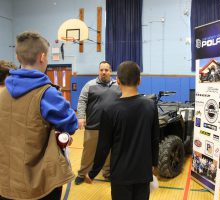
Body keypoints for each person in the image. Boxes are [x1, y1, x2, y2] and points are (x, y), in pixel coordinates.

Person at [0, 32, 78, 200]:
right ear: (42, 57)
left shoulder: (2, 93)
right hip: (38, 186)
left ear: (18, 57)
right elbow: (71, 124)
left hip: (6, 184)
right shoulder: (47, 93)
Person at [85, 61, 159, 200]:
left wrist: (93, 172)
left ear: (117, 81)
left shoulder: (109, 110)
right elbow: (155, 139)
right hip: (143, 172)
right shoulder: (151, 105)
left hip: (121, 174)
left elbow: (103, 146)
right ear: (139, 81)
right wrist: (154, 164)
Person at [75, 61, 121, 185]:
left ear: (110, 71)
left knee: (109, 153)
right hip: (93, 126)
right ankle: (82, 174)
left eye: (106, 70)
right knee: (88, 152)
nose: (104, 72)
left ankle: (107, 173)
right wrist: (80, 117)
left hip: (112, 127)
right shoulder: (90, 85)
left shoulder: (117, 85)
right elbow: (82, 101)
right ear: (98, 71)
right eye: (101, 70)